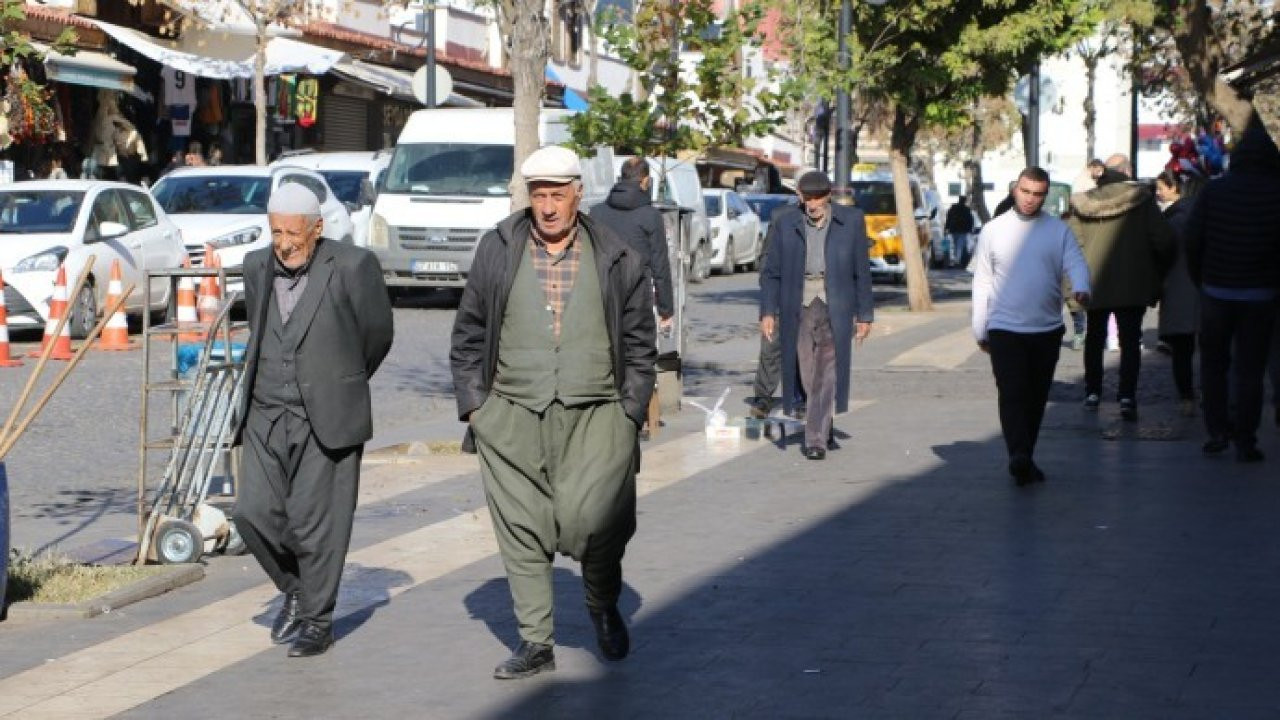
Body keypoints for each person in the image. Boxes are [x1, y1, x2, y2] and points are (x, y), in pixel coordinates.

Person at [450, 146, 656, 679]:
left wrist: (629, 412)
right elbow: (469, 333)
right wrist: (478, 408)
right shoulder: (497, 250)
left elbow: (640, 345)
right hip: (511, 413)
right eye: (538, 195)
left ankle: (600, 600)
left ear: (577, 195)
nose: (547, 207)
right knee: (522, 527)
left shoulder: (615, 255)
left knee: (597, 522)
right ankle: (535, 643)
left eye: (557, 195)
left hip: (598, 415)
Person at [232, 183, 395, 657]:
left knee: (313, 522)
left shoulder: (352, 266)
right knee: (251, 513)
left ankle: (317, 620)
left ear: (318, 229)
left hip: (326, 414)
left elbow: (377, 335)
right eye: (276, 231)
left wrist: (341, 379)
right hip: (265, 409)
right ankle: (299, 590)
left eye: (294, 234)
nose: (283, 243)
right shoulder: (256, 266)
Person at [972, 167, 1091, 486]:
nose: (1030, 199)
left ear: (1045, 195)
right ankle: (1018, 455)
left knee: (1036, 397)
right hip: (1004, 328)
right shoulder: (994, 230)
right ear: (1015, 190)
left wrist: (1081, 285)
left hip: (1046, 329)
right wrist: (979, 327)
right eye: (1026, 192)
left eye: (1038, 194)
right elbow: (982, 281)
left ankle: (1025, 455)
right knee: (1012, 393)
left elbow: (1076, 262)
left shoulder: (1057, 231)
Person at [760, 169, 874, 460]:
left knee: (827, 372)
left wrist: (865, 315)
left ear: (829, 196)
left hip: (835, 305)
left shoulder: (851, 221)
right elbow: (771, 272)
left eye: (817, 198)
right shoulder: (785, 222)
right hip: (798, 305)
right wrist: (768, 311)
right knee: (808, 373)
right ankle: (823, 422)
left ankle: (815, 440)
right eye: (806, 198)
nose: (812, 204)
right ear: (798, 196)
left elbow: (862, 271)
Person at [1186, 115, 1280, 462]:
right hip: (1261, 294)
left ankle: (1217, 431)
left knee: (1213, 365)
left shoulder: (1215, 191)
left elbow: (1192, 238)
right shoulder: (1276, 194)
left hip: (1216, 291)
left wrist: (1202, 279)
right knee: (1250, 370)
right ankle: (1246, 438)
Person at [1067, 154, 1174, 421]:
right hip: (1133, 282)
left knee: (1094, 337)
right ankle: (1127, 395)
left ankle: (1092, 391)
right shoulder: (1143, 200)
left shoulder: (1084, 203)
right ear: (1127, 171)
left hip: (1095, 282)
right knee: (1130, 340)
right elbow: (1162, 240)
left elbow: (1074, 243)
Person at [588, 157, 674, 439]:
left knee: (606, 352)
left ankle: (605, 415)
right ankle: (634, 417)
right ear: (645, 181)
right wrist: (666, 308)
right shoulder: (650, 216)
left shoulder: (596, 212)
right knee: (639, 355)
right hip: (638, 295)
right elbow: (660, 264)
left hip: (600, 293)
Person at [1154, 169, 1204, 416]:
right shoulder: (1203, 216)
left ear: (1176, 189)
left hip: (1178, 288)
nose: (1158, 193)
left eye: (1161, 187)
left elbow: (1161, 255)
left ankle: (1187, 397)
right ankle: (1209, 393)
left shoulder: (1171, 221)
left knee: (1182, 351)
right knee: (1211, 349)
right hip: (1207, 290)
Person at [944, 195, 976, 268]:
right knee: (959, 245)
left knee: (956, 245)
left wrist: (946, 227)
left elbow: (948, 218)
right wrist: (970, 229)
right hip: (963, 230)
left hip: (954, 229)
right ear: (965, 201)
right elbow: (970, 220)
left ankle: (956, 260)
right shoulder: (967, 209)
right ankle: (957, 261)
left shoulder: (953, 208)